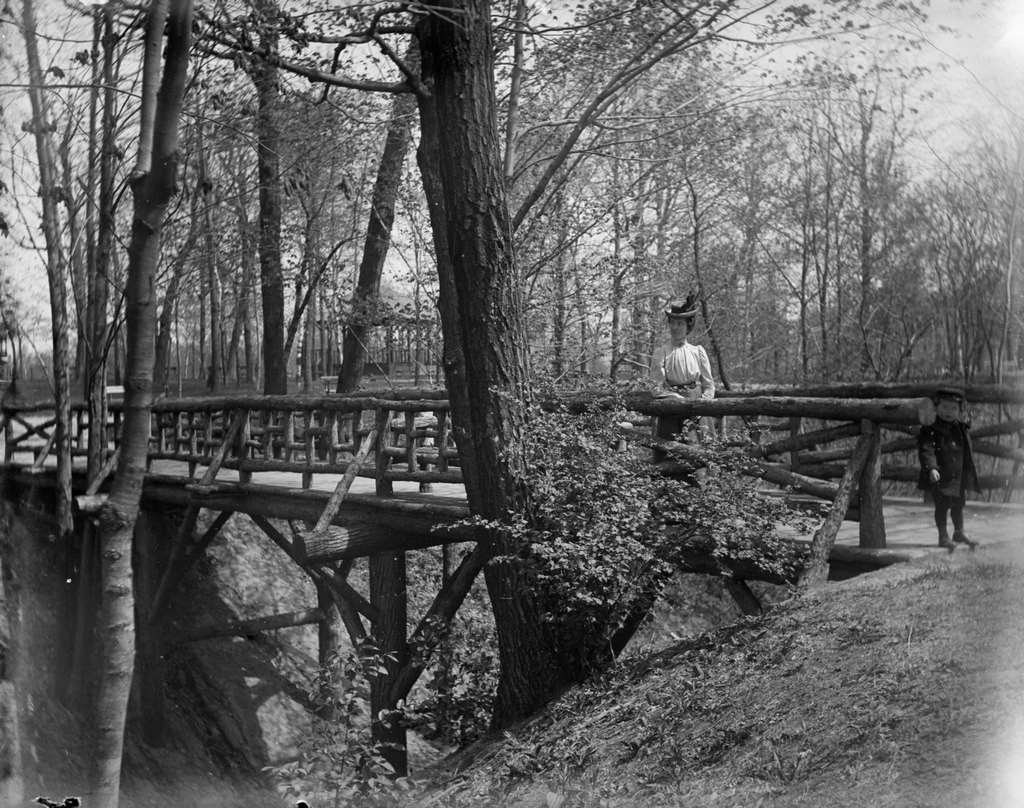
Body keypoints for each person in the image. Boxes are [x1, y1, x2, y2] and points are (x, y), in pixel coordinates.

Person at [650, 292, 715, 460]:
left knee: (698, 453)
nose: (675, 327)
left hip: (696, 410)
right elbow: (655, 388)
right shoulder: (662, 352)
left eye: (679, 323)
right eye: (672, 323)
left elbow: (709, 385)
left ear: (688, 326)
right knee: (670, 453)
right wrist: (674, 398)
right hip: (671, 409)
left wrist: (704, 402)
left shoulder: (698, 352)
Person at [917, 387, 981, 549]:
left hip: (957, 476)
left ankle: (959, 532)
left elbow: (966, 447)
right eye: (944, 407)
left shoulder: (960, 427)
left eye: (953, 408)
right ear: (936, 407)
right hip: (941, 475)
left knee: (958, 505)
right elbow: (926, 449)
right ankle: (943, 536)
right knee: (942, 505)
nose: (948, 412)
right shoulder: (930, 429)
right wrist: (931, 467)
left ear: (959, 411)